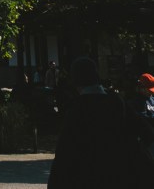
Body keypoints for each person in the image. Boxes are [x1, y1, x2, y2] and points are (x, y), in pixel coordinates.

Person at [48, 56, 148, 189]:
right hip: (121, 173)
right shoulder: (117, 102)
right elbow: (145, 131)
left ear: (75, 81)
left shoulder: (77, 109)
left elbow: (64, 152)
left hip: (88, 176)